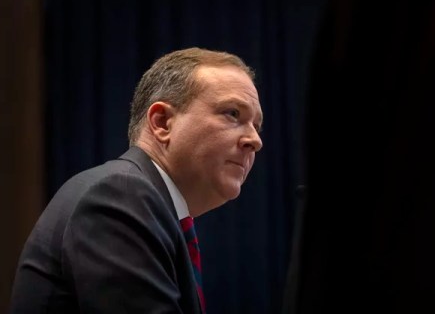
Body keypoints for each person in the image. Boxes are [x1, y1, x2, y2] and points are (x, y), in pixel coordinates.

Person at [9, 47, 264, 313]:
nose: (255, 141)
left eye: (256, 126)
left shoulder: (149, 205)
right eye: (233, 114)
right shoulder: (120, 196)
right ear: (162, 122)